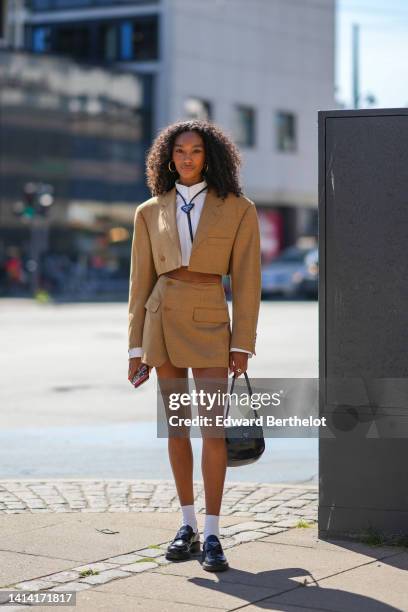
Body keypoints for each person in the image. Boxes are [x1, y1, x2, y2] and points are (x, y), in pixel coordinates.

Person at [127, 119, 261, 571]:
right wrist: (134, 349)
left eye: (196, 151)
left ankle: (212, 532)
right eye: (180, 151)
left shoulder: (239, 208)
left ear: (210, 156)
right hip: (160, 322)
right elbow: (138, 284)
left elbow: (247, 282)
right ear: (169, 158)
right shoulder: (149, 211)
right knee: (178, 428)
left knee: (213, 430)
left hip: (209, 322)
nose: (187, 158)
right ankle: (185, 523)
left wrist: (242, 342)